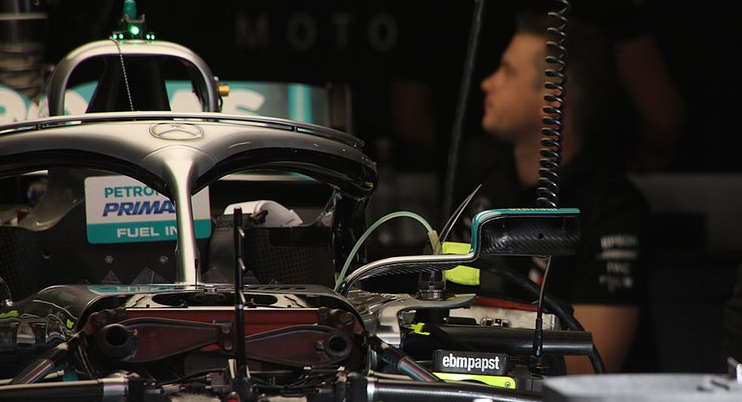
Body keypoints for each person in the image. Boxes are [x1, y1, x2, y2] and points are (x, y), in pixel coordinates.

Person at [449, 12, 652, 374]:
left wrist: (472, 358)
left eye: (508, 72)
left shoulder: (612, 209)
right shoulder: (481, 178)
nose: (488, 84)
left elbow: (587, 366)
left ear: (553, 97)